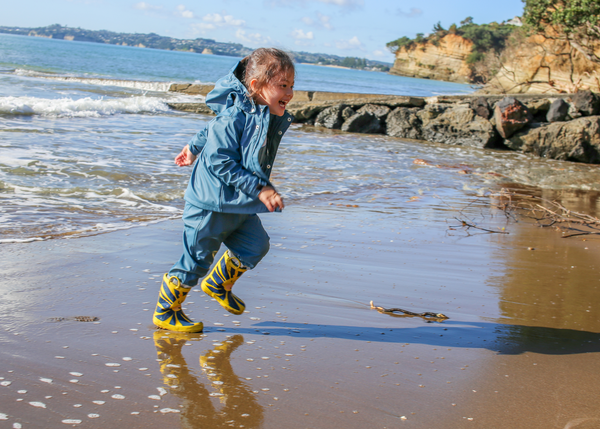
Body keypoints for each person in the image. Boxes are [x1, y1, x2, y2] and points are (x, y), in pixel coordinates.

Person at [153, 48, 295, 333]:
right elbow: (220, 161)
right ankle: (166, 311)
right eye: (282, 85)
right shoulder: (235, 116)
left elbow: (209, 129)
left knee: (256, 246)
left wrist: (193, 147)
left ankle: (218, 283)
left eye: (292, 86)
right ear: (255, 86)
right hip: (210, 204)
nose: (290, 93)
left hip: (237, 203)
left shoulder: (260, 112)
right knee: (195, 261)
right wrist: (261, 189)